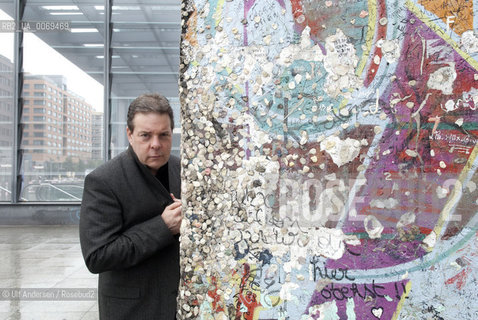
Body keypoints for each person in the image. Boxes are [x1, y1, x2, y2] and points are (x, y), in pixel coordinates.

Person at [79, 93, 182, 319]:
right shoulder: (103, 181)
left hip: (181, 306)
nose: (156, 144)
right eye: (146, 135)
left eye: (163, 135)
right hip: (132, 311)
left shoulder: (185, 170)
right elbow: (97, 256)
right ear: (130, 134)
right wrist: (163, 226)